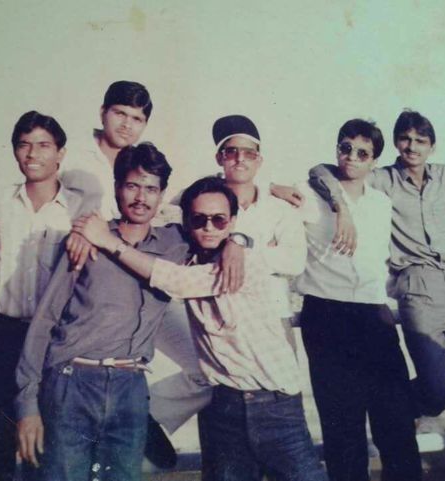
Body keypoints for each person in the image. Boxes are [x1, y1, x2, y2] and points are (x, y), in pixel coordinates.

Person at [15, 143, 245, 481]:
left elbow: (214, 213)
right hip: (72, 383)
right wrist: (27, 405)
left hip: (131, 387)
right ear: (117, 187)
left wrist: (238, 240)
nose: (141, 197)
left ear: (162, 194)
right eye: (132, 186)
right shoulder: (87, 240)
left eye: (151, 189)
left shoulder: (176, 244)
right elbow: (45, 319)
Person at [73, 176, 326, 481]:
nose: (209, 227)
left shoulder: (244, 262)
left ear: (233, 222)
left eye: (219, 220)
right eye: (199, 219)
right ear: (187, 222)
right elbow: (151, 213)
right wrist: (89, 234)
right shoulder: (190, 254)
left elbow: (176, 281)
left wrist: (107, 241)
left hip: (275, 407)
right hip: (224, 406)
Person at [148, 114, 306, 444]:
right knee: (218, 410)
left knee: (281, 408)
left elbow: (293, 259)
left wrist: (242, 247)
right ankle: (148, 417)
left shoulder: (279, 208)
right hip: (214, 320)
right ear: (219, 157)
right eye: (231, 152)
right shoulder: (201, 199)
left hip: (270, 319)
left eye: (249, 153)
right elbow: (166, 215)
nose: (239, 159)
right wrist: (255, 246)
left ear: (260, 160)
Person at [0, 111, 93, 481]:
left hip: (52, 338)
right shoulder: (0, 199)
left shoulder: (79, 208)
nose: (33, 154)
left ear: (60, 153)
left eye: (43, 145)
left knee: (43, 442)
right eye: (24, 145)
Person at [296, 119, 421, 481]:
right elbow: (304, 175)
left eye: (362, 153)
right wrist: (340, 206)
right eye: (345, 148)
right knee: (343, 429)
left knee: (396, 420)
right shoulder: (308, 194)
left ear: (374, 161)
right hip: (326, 313)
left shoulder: (381, 202)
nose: (351, 157)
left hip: (374, 314)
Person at [308, 110, 445, 420]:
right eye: (405, 139)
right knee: (436, 391)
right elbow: (321, 171)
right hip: (419, 288)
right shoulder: (381, 179)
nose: (412, 146)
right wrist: (341, 207)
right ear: (397, 143)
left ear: (432, 146)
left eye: (421, 140)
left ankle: (393, 415)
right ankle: (391, 413)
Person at [61, 80, 153, 220]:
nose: (127, 125)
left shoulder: (144, 164)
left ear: (145, 124)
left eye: (136, 119)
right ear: (103, 113)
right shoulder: (69, 152)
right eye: (120, 114)